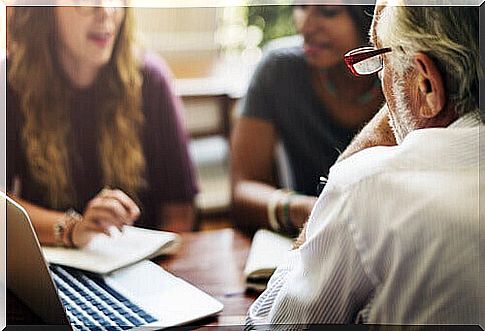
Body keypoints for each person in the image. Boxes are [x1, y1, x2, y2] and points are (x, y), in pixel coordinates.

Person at [246, 3, 482, 326]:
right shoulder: (280, 70)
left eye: (382, 60)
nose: (305, 23)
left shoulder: (364, 186)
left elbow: (269, 324)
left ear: (426, 84)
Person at [6, 4, 198, 248]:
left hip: (140, 269)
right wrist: (72, 228)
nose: (106, 9)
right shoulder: (11, 82)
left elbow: (179, 210)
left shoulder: (152, 80)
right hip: (53, 268)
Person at [231, 5, 384, 236]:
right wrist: (304, 210)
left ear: (370, 15)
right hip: (311, 236)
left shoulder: (405, 75)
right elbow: (243, 190)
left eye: (328, 12)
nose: (305, 25)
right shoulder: (278, 69)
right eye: (301, 6)